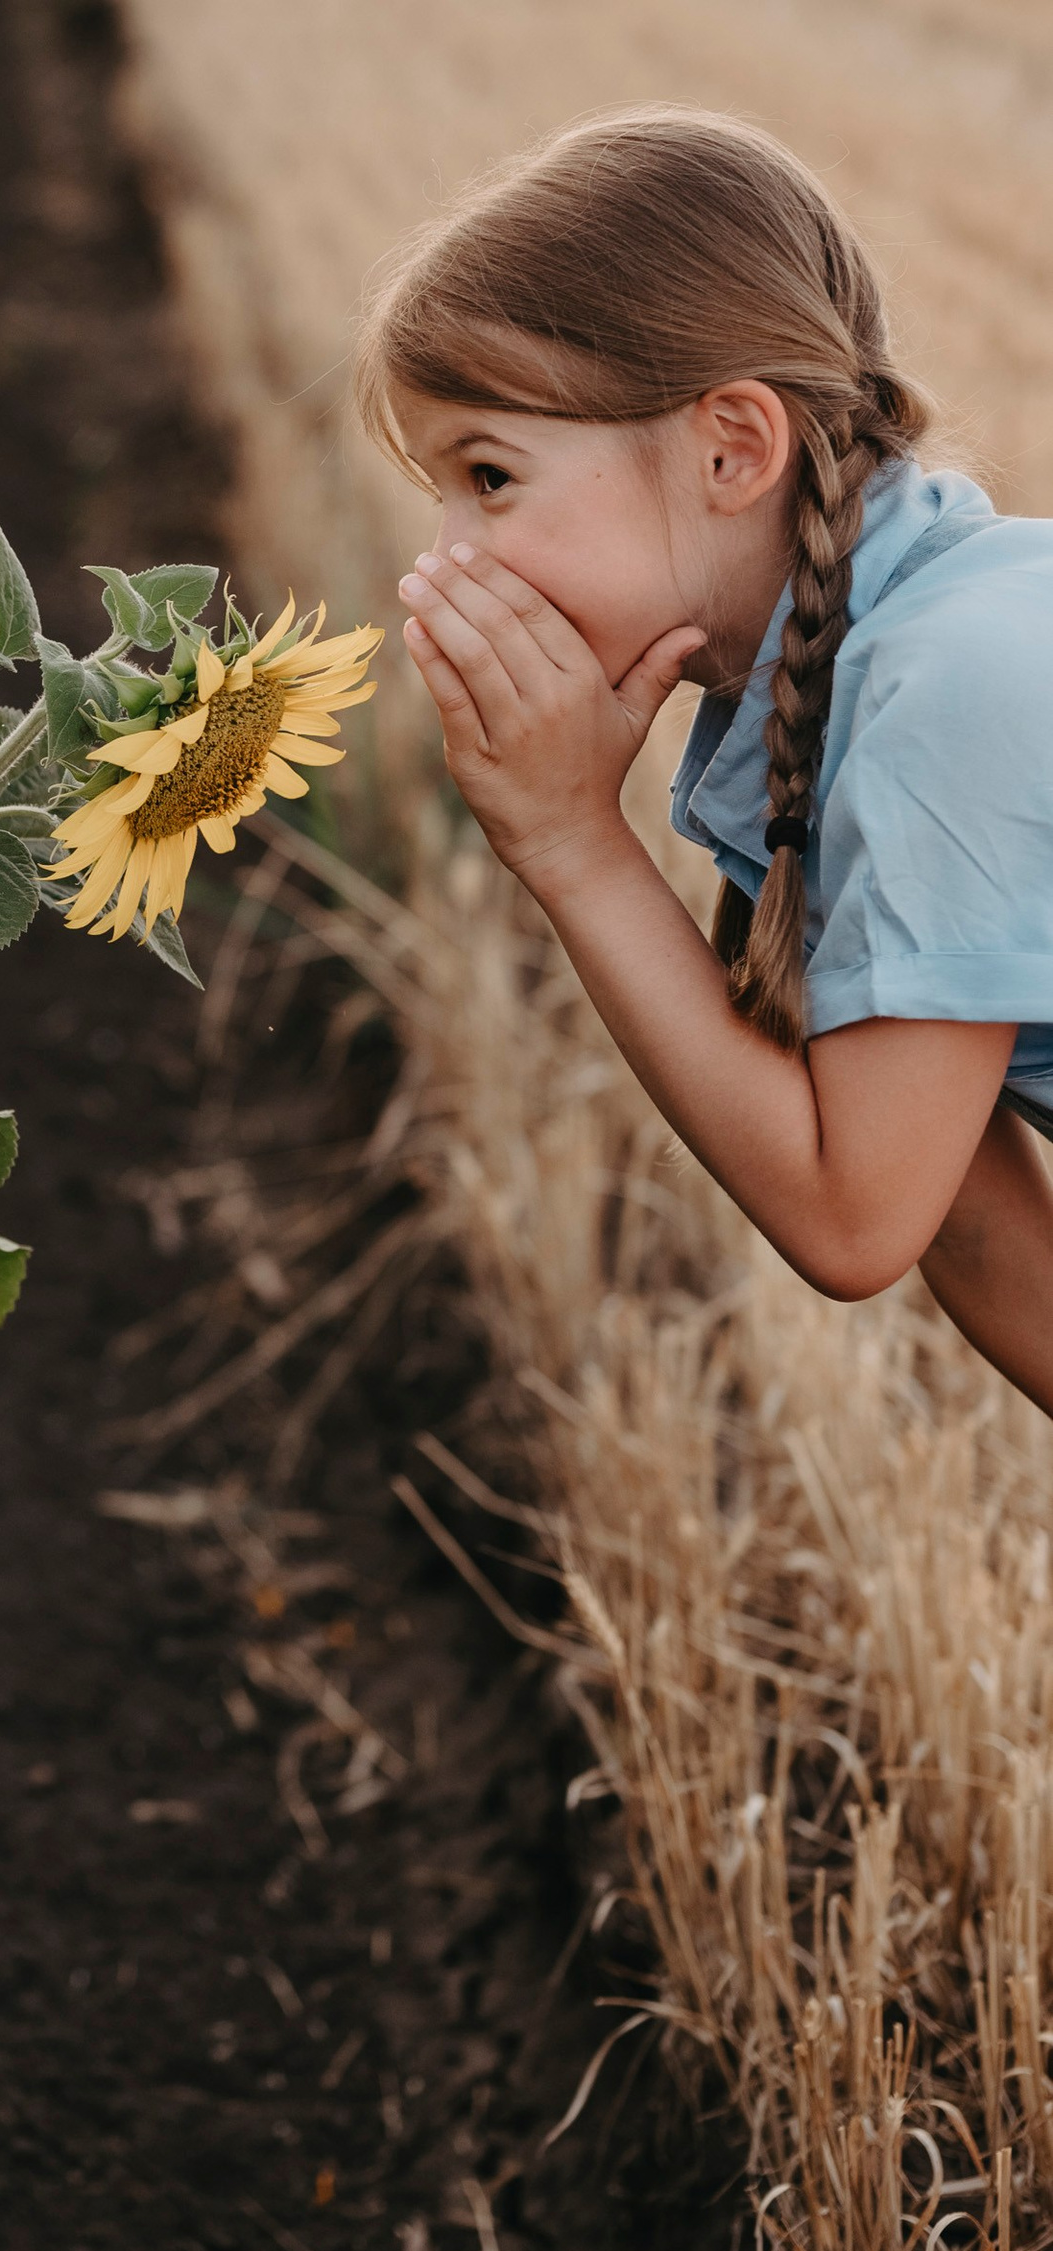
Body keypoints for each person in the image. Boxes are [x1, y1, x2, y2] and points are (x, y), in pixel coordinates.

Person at [357, 105, 1053, 1410]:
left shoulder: (952, 687)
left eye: (490, 477)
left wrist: (573, 842)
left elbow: (856, 1221)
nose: (443, 563)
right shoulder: (906, 656)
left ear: (733, 447)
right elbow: (962, 1211)